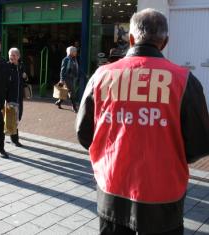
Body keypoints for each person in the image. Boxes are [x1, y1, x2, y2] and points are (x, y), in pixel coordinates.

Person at [76, 9, 209, 235]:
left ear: (130, 39)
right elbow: (200, 143)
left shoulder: (101, 76)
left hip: (112, 187)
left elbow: (83, 133)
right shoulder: (184, 80)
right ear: (165, 42)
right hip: (164, 195)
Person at [6, 48, 27, 147]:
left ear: (18, 56)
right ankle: (14, 140)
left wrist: (25, 77)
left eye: (14, 55)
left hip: (19, 97)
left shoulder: (21, 67)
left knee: (18, 117)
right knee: (12, 118)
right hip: (10, 98)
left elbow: (25, 81)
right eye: (10, 55)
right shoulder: (6, 67)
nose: (12, 57)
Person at [55, 46, 79, 113]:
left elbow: (76, 68)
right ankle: (74, 107)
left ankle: (59, 102)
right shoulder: (66, 59)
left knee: (65, 92)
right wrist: (61, 79)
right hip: (66, 78)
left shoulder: (74, 59)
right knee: (72, 92)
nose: (76, 53)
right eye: (75, 51)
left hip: (72, 78)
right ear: (71, 52)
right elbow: (62, 70)